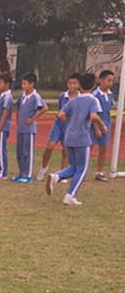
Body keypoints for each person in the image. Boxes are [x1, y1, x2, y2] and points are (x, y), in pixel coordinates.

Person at [46, 73, 108, 205]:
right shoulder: (92, 100)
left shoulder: (73, 100)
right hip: (82, 137)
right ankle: (70, 195)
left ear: (79, 85)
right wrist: (102, 125)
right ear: (93, 86)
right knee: (82, 169)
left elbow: (61, 114)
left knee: (74, 166)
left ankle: (57, 176)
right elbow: (94, 116)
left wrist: (70, 123)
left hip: (69, 137)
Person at [36, 73, 80, 181]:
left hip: (70, 127)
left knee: (65, 151)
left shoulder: (80, 98)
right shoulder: (63, 96)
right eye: (70, 83)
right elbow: (60, 110)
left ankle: (63, 174)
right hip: (59, 124)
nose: (72, 86)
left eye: (74, 83)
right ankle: (44, 168)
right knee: (49, 147)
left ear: (79, 84)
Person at [12, 72, 48, 183]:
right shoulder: (22, 95)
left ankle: (27, 175)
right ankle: (21, 173)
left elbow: (44, 108)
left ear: (32, 84)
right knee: (20, 152)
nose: (23, 86)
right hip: (21, 128)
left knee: (28, 152)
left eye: (25, 83)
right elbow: (18, 106)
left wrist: (32, 119)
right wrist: (18, 116)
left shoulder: (35, 96)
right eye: (22, 83)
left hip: (29, 128)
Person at [92, 69, 116, 181]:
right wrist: (96, 128)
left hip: (106, 125)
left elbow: (109, 109)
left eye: (112, 81)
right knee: (89, 147)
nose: (111, 83)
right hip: (94, 125)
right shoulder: (95, 95)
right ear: (101, 80)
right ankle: (82, 170)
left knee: (103, 148)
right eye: (108, 80)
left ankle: (99, 172)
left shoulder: (110, 94)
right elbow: (93, 113)